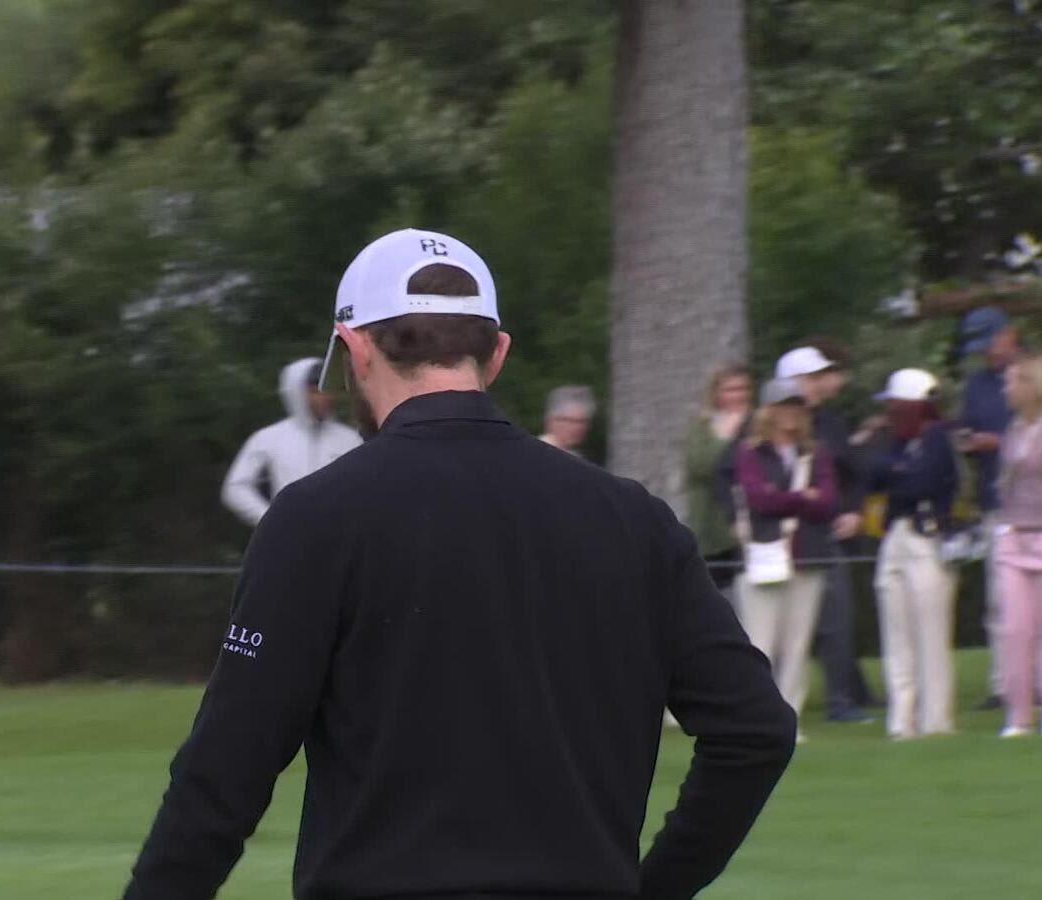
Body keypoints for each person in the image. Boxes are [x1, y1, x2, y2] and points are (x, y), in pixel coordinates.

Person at [123, 229, 795, 900]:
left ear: (355, 348)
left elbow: (226, 773)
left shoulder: (319, 518)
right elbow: (755, 730)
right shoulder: (633, 520)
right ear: (495, 353)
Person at [733, 377, 840, 738]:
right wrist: (800, 497)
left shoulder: (816, 452)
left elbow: (826, 501)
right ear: (769, 411)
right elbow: (759, 500)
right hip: (766, 553)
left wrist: (784, 496)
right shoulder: (752, 452)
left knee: (797, 645)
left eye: (795, 406)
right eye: (783, 406)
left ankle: (788, 721)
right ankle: (758, 719)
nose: (790, 413)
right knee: (761, 642)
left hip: (806, 556)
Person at [776, 344, 876, 724]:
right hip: (779, 538)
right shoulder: (770, 425)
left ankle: (841, 701)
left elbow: (854, 471)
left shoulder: (831, 422)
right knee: (779, 626)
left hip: (825, 533)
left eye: (819, 378)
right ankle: (775, 703)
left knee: (836, 619)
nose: (818, 385)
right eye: (811, 378)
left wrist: (853, 510)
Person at [865, 369, 959, 740]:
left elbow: (929, 482)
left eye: (894, 405)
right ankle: (902, 720)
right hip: (897, 537)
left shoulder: (938, 439)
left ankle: (936, 720)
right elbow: (872, 474)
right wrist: (899, 471)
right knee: (897, 632)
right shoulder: (898, 443)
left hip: (926, 538)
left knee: (930, 635)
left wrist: (897, 474)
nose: (889, 412)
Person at [959, 307, 1020, 710]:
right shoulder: (977, 384)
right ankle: (1005, 685)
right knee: (999, 601)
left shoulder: (1038, 372)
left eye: (991, 343)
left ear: (1009, 334)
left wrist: (999, 443)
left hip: (1038, 503)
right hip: (994, 502)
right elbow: (965, 425)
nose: (988, 354)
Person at [221, 358, 362, 527]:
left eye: (327, 390)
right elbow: (236, 487)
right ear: (297, 393)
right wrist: (270, 520)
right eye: (315, 391)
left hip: (340, 538)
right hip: (287, 541)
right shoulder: (269, 438)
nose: (325, 398)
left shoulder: (351, 439)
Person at [994, 353, 1042, 738]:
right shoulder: (1014, 429)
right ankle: (1019, 715)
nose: (1006, 389)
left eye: (1013, 381)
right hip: (1014, 535)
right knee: (1014, 628)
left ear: (1034, 385)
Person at [687, 363, 752, 596]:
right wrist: (725, 437)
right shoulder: (703, 428)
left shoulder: (758, 425)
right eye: (731, 389)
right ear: (716, 394)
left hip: (749, 529)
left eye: (743, 389)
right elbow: (700, 466)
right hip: (712, 530)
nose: (738, 395)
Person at [538, 385, 596, 456]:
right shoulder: (540, 453)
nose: (577, 428)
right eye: (569, 420)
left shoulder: (573, 455)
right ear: (550, 421)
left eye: (582, 421)